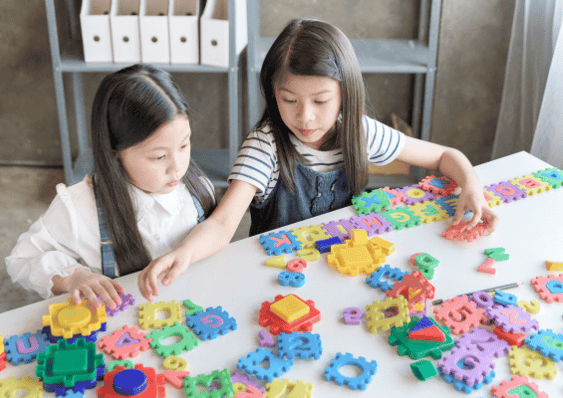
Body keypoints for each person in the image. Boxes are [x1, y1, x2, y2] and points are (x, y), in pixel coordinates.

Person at [137, 18, 498, 300]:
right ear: (272, 93)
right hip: (278, 276)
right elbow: (222, 223)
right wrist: (184, 253)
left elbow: (445, 156)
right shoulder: (264, 146)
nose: (305, 117)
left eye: (321, 101)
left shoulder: (359, 130)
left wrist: (471, 185)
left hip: (344, 270)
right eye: (289, 100)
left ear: (346, 94)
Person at [6, 64, 216, 307]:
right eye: (159, 157)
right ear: (115, 151)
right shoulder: (79, 207)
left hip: (199, 311)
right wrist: (75, 277)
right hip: (128, 334)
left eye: (184, 145)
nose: (178, 166)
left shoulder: (196, 188)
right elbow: (21, 259)